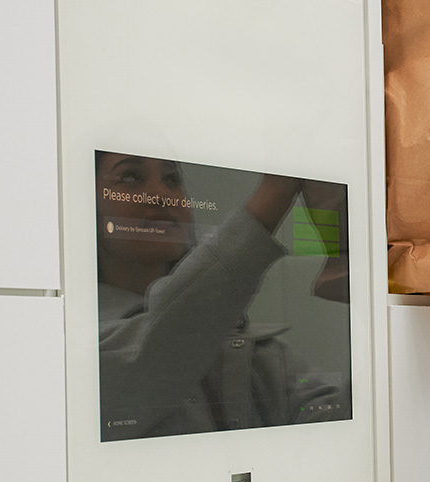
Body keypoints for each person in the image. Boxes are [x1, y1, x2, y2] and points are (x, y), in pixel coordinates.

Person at [95, 152, 347, 441]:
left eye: (171, 179)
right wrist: (276, 191)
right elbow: (162, 342)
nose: (160, 196)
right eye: (130, 178)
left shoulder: (257, 354)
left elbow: (337, 423)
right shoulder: (71, 350)